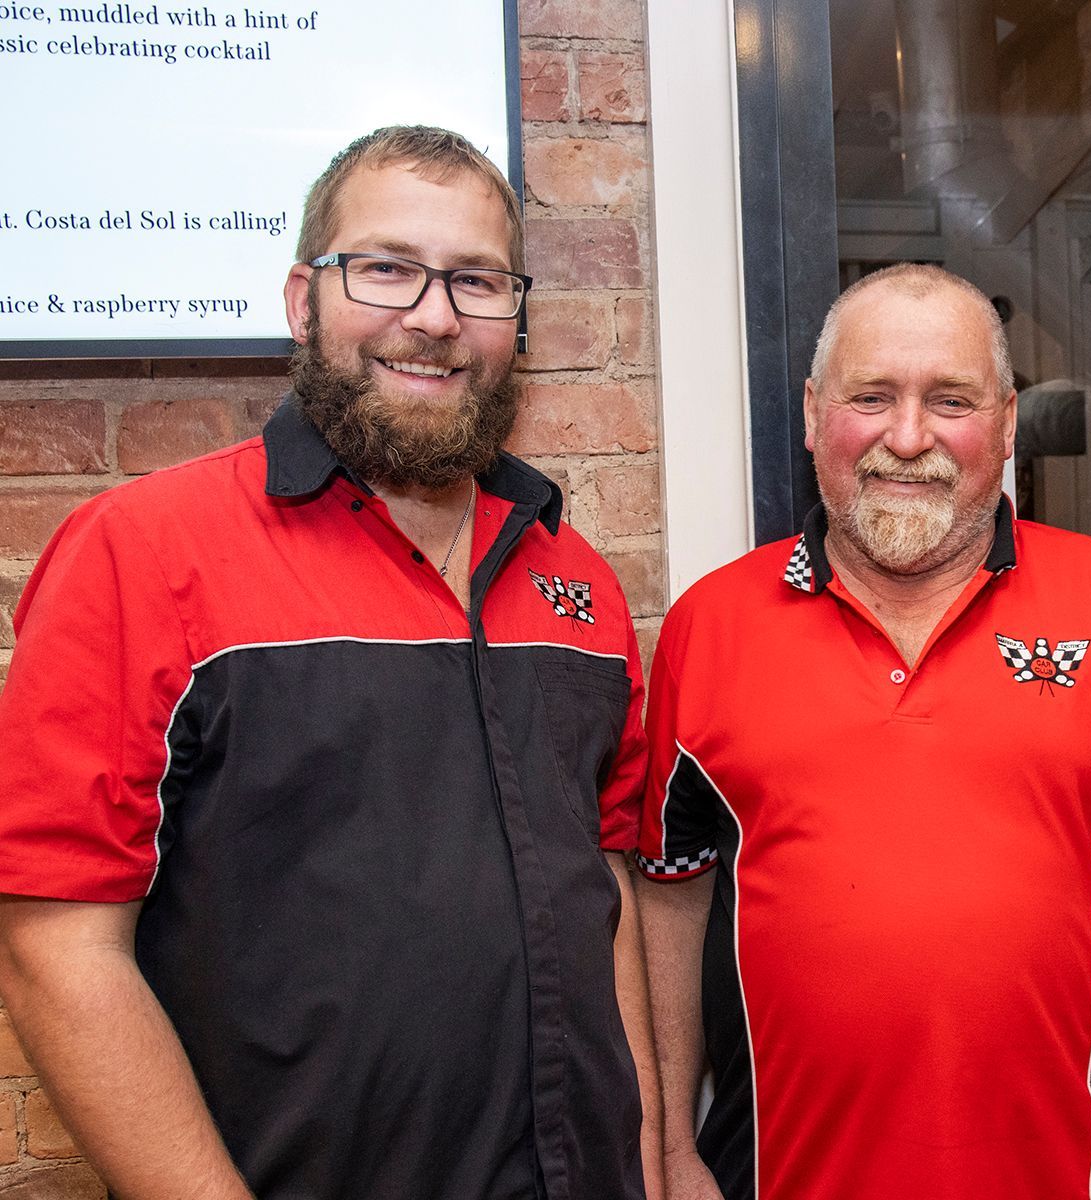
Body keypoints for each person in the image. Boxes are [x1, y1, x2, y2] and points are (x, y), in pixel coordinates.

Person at [0, 126, 657, 1200]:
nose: (435, 316)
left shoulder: (571, 575)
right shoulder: (144, 551)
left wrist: (643, 1166)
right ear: (304, 300)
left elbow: (607, 891)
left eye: (477, 281)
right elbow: (54, 949)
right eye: (387, 268)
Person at [636, 263, 1091, 1200]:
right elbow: (672, 901)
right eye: (871, 396)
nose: (908, 436)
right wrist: (673, 1154)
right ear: (811, 414)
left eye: (950, 400)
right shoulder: (708, 629)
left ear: (1005, 423)